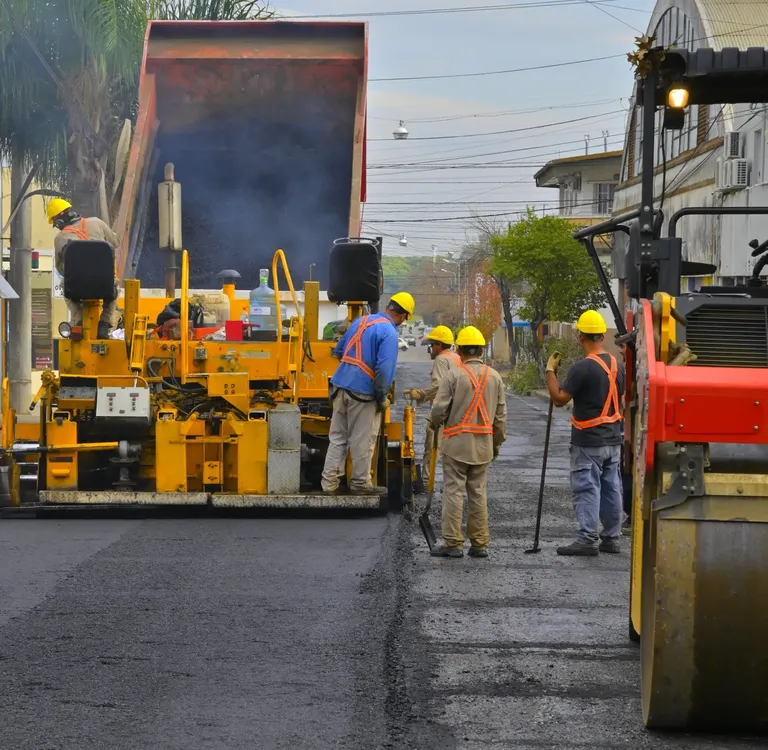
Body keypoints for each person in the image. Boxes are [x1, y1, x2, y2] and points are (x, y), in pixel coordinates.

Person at [546, 310, 625, 557]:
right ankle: (611, 538)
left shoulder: (583, 368)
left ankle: (587, 538)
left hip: (588, 441)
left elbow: (560, 399)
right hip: (613, 438)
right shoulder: (617, 365)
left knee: (587, 488)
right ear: (602, 335)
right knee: (611, 487)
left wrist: (550, 372)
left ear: (581, 337)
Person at [321, 292, 415, 494]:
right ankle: (360, 484)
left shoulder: (360, 322)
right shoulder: (389, 332)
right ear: (403, 315)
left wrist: (352, 370)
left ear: (389, 307)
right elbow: (384, 370)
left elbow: (338, 350)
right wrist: (381, 397)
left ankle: (329, 484)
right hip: (362, 393)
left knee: (337, 438)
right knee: (362, 440)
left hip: (339, 386)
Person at [428, 326, 507, 558]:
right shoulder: (495, 377)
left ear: (459, 350)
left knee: (453, 491)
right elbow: (500, 418)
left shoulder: (454, 375)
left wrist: (434, 424)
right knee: (478, 492)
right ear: (481, 350)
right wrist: (496, 443)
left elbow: (439, 409)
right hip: (483, 445)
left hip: (455, 444)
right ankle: (479, 543)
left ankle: (453, 543)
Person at [49, 198, 119, 339]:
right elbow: (115, 242)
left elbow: (61, 268)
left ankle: (79, 320)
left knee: (65, 287)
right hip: (104, 285)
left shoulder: (60, 238)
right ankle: (104, 323)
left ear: (58, 221)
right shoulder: (96, 222)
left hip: (77, 287)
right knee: (114, 291)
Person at [404, 325, 460, 487]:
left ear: (440, 345)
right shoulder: (456, 358)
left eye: (433, 344)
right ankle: (453, 481)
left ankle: (427, 482)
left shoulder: (441, 359)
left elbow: (439, 385)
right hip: (456, 410)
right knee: (452, 448)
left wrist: (420, 393)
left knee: (432, 445)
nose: (431, 348)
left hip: (442, 410)